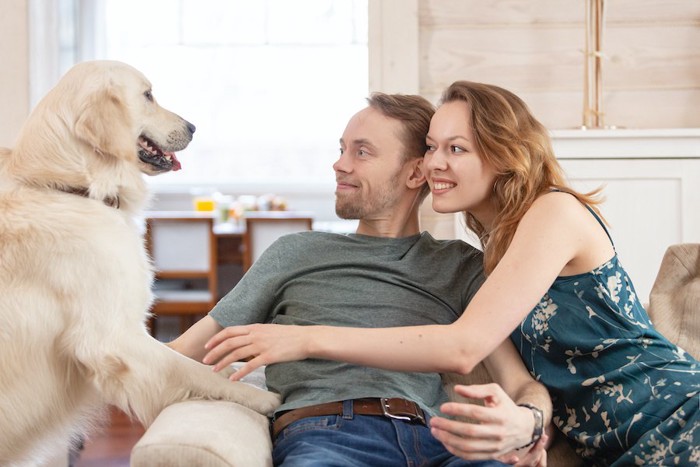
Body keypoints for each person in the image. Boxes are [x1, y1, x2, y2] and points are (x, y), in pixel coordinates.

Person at [210, 82, 700, 466]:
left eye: (457, 149)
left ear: (505, 154)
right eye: (431, 146)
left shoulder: (555, 213)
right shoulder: (490, 252)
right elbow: (526, 382)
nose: (434, 163)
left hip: (675, 416)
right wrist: (530, 421)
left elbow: (462, 346)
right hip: (617, 444)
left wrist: (305, 339)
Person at [170, 92, 551, 466]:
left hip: (440, 442)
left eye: (361, 152)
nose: (339, 165)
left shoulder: (459, 265)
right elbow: (185, 351)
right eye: (341, 149)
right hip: (329, 434)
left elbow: (521, 384)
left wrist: (528, 424)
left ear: (416, 172)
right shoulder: (296, 253)